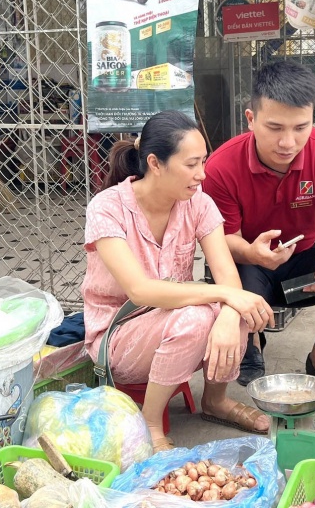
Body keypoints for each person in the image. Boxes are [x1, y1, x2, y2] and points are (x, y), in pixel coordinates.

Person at [81, 110, 274, 453]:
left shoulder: (199, 204)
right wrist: (225, 296)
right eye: (191, 164)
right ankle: (150, 422)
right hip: (118, 335)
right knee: (204, 314)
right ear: (155, 164)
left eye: (204, 162)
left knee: (238, 309)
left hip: (175, 320)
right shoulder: (107, 207)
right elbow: (140, 291)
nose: (202, 174)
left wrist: (231, 311)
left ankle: (215, 400)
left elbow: (228, 275)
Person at [202, 60, 315, 385]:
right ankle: (251, 339)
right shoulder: (221, 167)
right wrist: (252, 253)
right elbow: (221, 241)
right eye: (275, 128)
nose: (288, 142)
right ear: (251, 119)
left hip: (303, 272)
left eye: (300, 128)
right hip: (248, 267)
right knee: (234, 280)